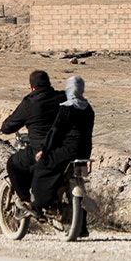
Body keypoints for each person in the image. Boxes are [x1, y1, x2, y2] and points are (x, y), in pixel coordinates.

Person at [0, 70, 65, 213]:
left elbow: (9, 125)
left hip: (39, 150)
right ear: (49, 84)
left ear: (31, 87)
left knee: (13, 164)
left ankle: (25, 201)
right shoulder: (62, 97)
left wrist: (4, 128)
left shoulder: (30, 102)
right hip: (64, 150)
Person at [30, 75, 94, 217]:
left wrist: (44, 150)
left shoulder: (67, 108)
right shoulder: (88, 109)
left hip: (69, 151)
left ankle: (39, 205)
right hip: (84, 153)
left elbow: (55, 132)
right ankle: (81, 226)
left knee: (41, 167)